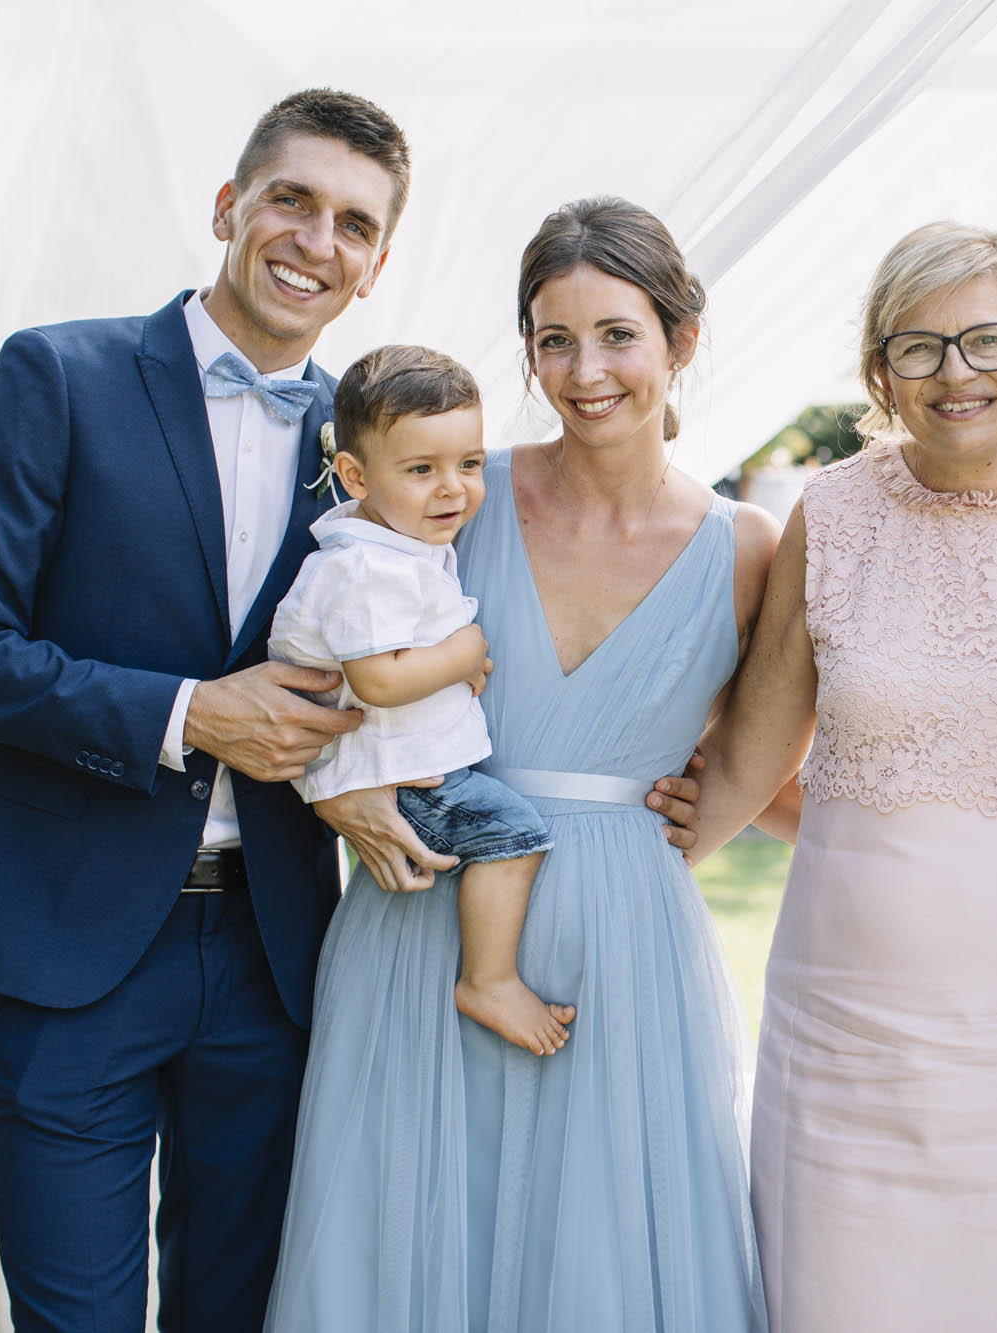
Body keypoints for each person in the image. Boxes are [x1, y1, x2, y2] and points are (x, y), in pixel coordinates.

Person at [0, 91, 423, 1331]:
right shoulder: (60, 374)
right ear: (228, 206)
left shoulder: (374, 441)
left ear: (377, 264)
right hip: (73, 942)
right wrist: (191, 713)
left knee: (236, 1310)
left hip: (278, 953)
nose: (314, 239)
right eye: (290, 199)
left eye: (353, 222)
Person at [263, 197, 778, 1332]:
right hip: (423, 915)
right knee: (400, 1247)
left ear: (680, 339)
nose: (583, 370)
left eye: (616, 334)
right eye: (553, 339)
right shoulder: (449, 486)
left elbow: (766, 743)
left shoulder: (744, 547)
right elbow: (314, 653)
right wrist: (334, 782)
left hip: (621, 947)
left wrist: (702, 818)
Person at [688, 221, 997, 1332]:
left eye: (987, 340)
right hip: (846, 1046)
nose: (956, 373)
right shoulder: (832, 513)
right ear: (879, 374)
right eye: (918, 348)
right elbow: (744, 762)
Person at [269, 345, 572, 1056]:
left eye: (469, 464)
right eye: (421, 470)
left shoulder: (404, 544)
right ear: (354, 475)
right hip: (395, 778)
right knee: (513, 833)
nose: (453, 490)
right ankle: (488, 978)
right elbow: (378, 679)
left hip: (404, 762)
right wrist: (463, 653)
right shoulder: (363, 567)